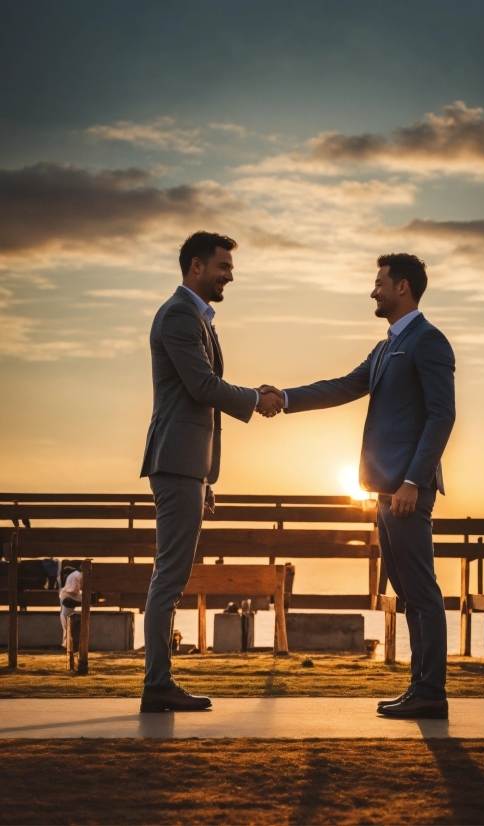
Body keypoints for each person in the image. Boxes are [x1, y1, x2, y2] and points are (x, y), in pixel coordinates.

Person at [261, 253, 455, 719]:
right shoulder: (387, 347)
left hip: (407, 491)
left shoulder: (428, 342)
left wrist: (413, 480)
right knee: (407, 590)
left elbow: (442, 415)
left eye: (379, 283)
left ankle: (431, 692)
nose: (373, 291)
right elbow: (344, 386)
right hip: (385, 492)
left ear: (402, 287)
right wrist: (283, 399)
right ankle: (419, 687)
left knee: (422, 590)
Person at [139, 231, 283, 713]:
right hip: (176, 462)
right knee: (170, 577)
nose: (230, 275)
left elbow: (199, 395)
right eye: (223, 266)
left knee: (172, 575)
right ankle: (157, 684)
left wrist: (206, 479)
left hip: (187, 467)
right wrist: (255, 400)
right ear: (196, 266)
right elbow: (202, 387)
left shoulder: (198, 318)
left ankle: (159, 682)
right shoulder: (180, 315)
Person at [59, 564, 82, 648]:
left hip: (67, 599)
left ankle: (67, 644)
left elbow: (73, 589)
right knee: (67, 624)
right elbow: (73, 590)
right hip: (69, 599)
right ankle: (68, 644)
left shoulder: (73, 576)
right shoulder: (76, 575)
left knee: (65, 623)